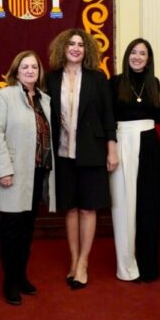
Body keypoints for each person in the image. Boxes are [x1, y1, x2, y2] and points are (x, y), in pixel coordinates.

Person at [45, 28, 117, 290]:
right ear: (62, 48)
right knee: (71, 208)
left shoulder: (98, 79)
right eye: (71, 44)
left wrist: (112, 149)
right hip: (62, 154)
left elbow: (108, 117)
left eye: (80, 45)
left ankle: (84, 262)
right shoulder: (50, 79)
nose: (76, 48)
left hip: (92, 153)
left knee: (88, 207)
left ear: (87, 50)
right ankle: (73, 259)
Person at [0, 51, 56, 305]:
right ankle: (10, 281)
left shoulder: (45, 100)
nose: (30, 71)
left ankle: (21, 275)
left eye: (34, 67)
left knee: (27, 229)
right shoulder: (5, 96)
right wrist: (4, 169)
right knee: (11, 230)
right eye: (25, 67)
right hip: (13, 173)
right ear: (16, 71)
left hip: (38, 172)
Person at [109, 39, 160, 283]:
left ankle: (149, 267)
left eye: (143, 53)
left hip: (150, 145)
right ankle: (127, 266)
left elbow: (159, 115)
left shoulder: (155, 83)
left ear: (149, 59)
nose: (138, 57)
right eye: (134, 52)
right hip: (122, 144)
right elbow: (108, 118)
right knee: (123, 207)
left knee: (149, 206)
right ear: (127, 55)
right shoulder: (115, 82)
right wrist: (110, 149)